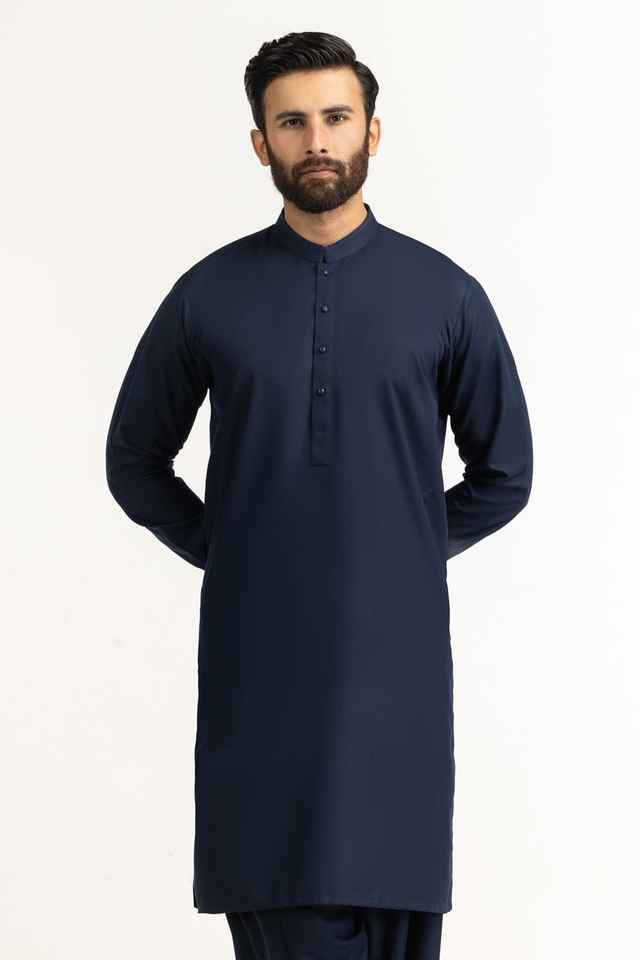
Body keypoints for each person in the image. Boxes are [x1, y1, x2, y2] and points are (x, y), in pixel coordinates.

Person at [105, 30, 533, 960]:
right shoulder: (210, 294)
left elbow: (506, 474)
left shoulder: (445, 295)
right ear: (260, 142)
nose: (316, 141)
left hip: (398, 689)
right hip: (262, 684)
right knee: (283, 903)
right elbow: (134, 459)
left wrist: (401, 547)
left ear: (372, 132)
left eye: (336, 118)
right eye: (292, 123)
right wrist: (235, 548)